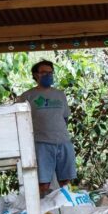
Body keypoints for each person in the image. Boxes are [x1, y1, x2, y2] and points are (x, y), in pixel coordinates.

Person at [18, 60, 76, 197]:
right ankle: (43, 212)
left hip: (63, 142)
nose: (48, 75)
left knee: (66, 181)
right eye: (44, 72)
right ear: (35, 75)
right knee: (43, 183)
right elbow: (21, 122)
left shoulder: (60, 94)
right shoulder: (27, 96)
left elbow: (65, 118)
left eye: (50, 72)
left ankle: (66, 206)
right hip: (41, 143)